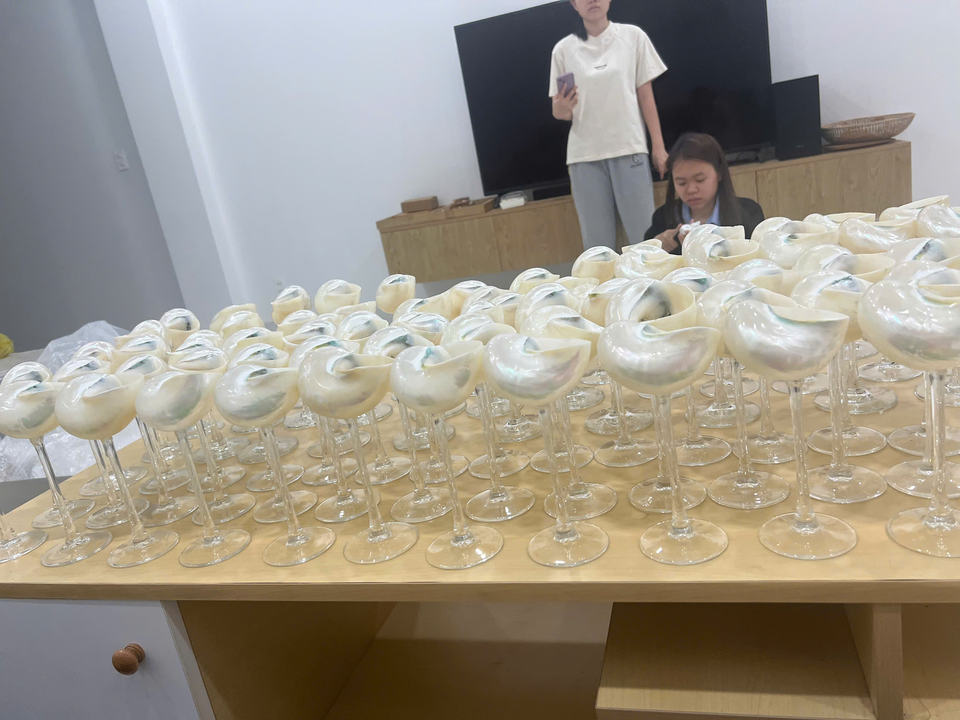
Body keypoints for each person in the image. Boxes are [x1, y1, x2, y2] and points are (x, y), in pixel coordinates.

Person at [549, 0, 668, 250]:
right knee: (598, 248)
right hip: (584, 158)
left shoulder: (633, 37)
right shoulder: (563, 50)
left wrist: (658, 146)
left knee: (645, 242)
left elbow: (646, 96)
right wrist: (563, 107)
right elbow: (561, 113)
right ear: (574, 4)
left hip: (629, 149)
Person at [645, 132, 765, 254]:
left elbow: (761, 257)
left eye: (700, 180)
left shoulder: (748, 212)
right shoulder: (662, 218)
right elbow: (641, 257)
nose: (691, 190)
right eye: (681, 183)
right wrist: (656, 247)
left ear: (719, 173)